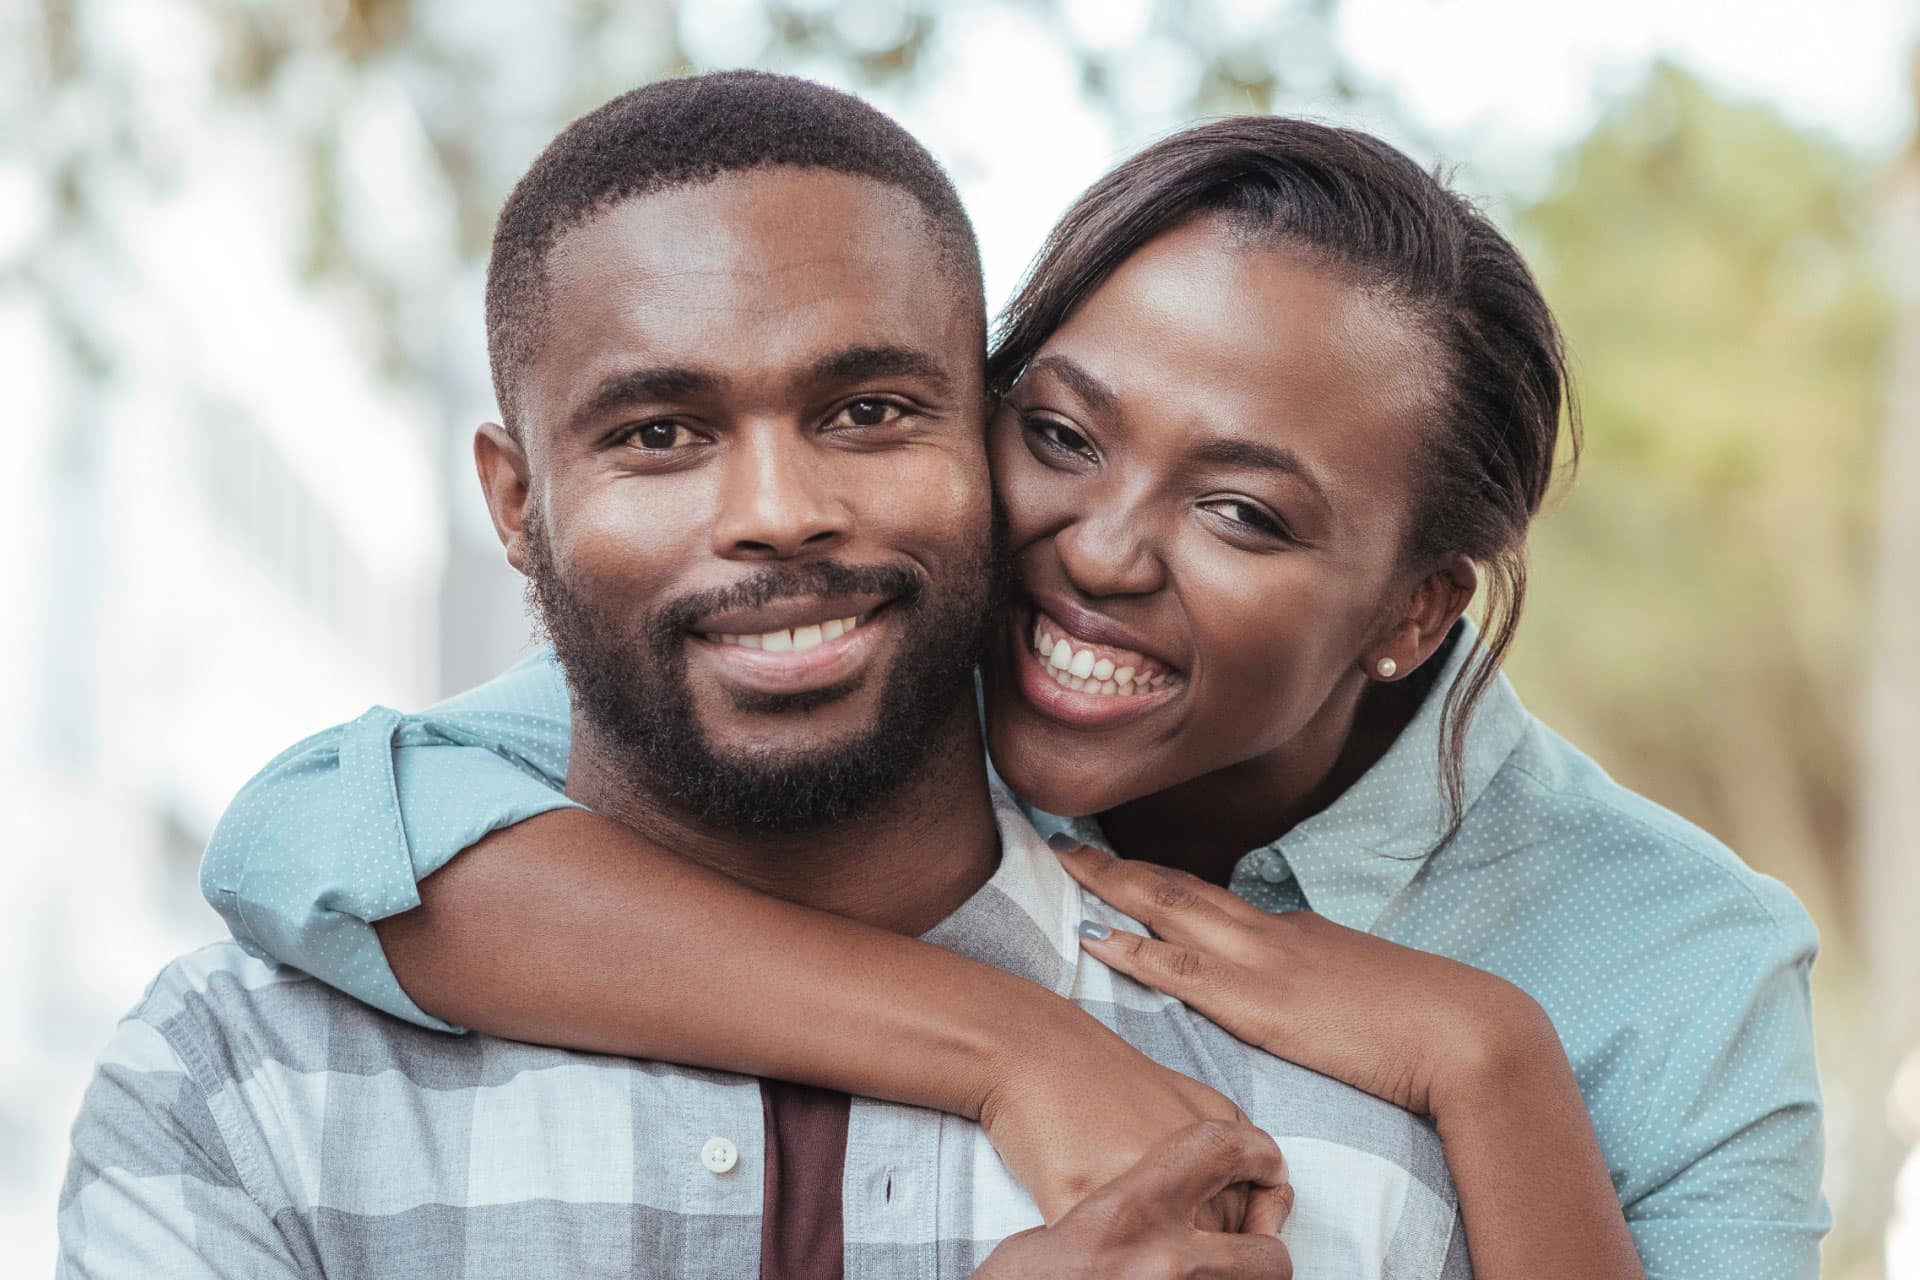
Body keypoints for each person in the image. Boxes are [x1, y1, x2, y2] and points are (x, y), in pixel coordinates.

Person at [194, 75, 1825, 1280]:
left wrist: (1491, 1064)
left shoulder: (1671, 957)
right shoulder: (862, 686)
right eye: (1058, 434)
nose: (1101, 553)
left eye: (1245, 512)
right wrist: (1015, 1042)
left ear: (1413, 613)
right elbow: (322, 836)